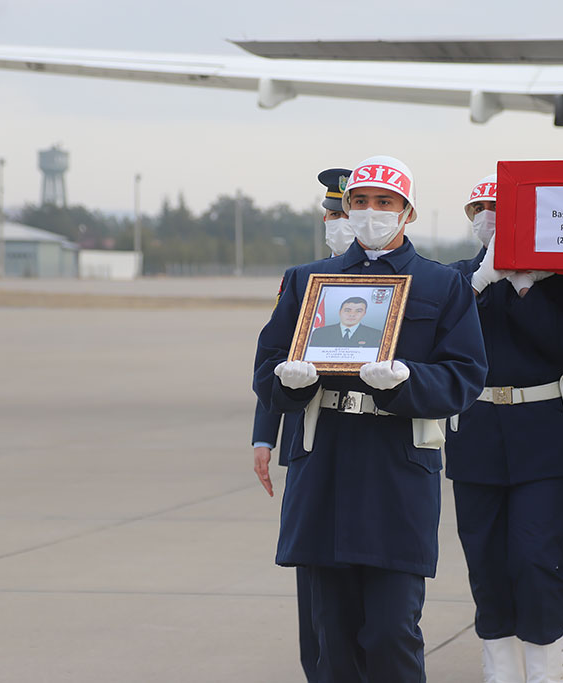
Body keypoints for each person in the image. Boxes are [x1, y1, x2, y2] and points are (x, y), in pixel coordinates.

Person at [253, 154, 488, 682]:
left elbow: (466, 377)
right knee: (330, 637)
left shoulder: (441, 286)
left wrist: (411, 382)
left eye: (384, 203)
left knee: (391, 632)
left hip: (396, 467)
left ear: (407, 212)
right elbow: (266, 371)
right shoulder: (307, 281)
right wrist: (288, 383)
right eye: (360, 202)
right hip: (326, 464)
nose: (370, 213)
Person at [445, 173, 563, 683]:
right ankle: (500, 671)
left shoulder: (559, 279)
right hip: (478, 433)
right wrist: (482, 281)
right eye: (478, 207)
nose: (488, 216)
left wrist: (525, 284)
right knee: (484, 560)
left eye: (498, 207)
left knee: (535, 558)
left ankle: (547, 671)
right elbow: (435, 336)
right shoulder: (457, 279)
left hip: (544, 437)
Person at [250, 166, 353, 682]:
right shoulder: (305, 277)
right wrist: (264, 434)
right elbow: (276, 358)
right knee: (316, 592)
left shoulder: (410, 279)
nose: (334, 223)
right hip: (310, 439)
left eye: (341, 212)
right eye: (330, 214)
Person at [307, 296, 383, 347]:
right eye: (347, 310)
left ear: (364, 313)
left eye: (358, 311)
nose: (352, 314)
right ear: (340, 312)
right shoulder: (320, 332)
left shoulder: (375, 335)